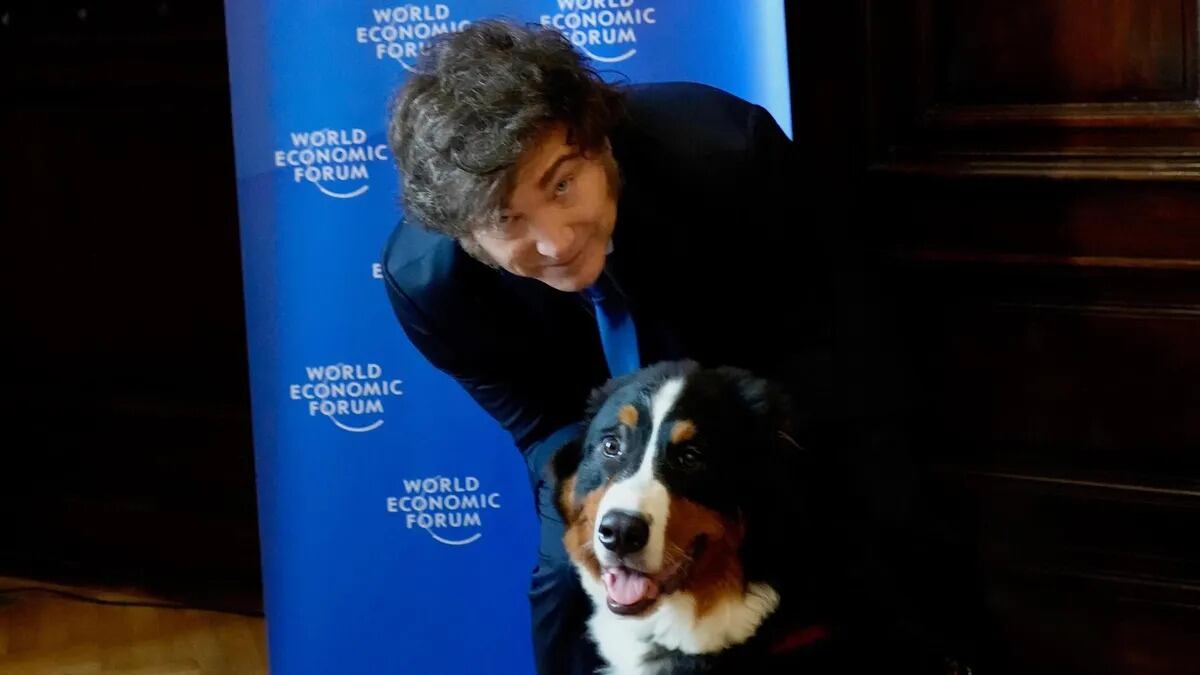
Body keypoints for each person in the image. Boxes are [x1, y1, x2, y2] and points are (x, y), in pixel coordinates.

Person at [380, 18, 979, 675]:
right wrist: (611, 494)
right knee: (560, 577)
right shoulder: (430, 286)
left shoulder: (725, 150)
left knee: (885, 517)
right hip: (602, 441)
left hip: (773, 386)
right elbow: (543, 426)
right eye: (507, 220)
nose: (555, 241)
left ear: (597, 138)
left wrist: (753, 457)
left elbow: (829, 333)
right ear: (466, 235)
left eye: (561, 184)